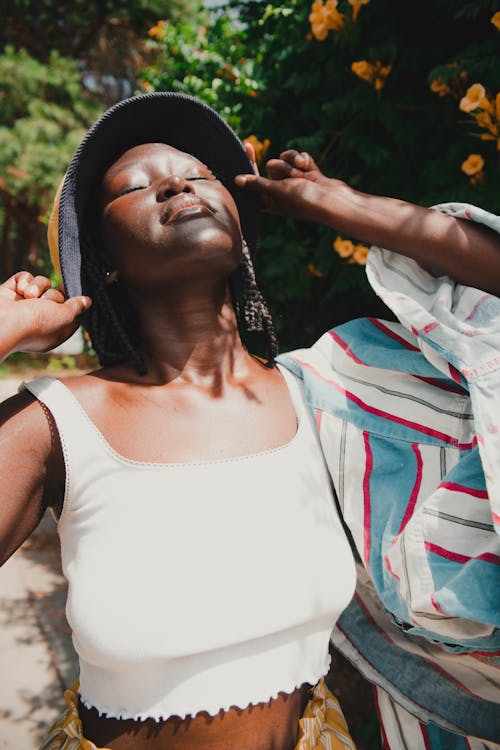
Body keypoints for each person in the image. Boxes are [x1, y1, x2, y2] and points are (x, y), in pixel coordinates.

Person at [0, 91, 498, 750]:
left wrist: (341, 204)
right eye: (135, 186)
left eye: (199, 174)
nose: (177, 181)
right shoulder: (56, 422)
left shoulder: (334, 392)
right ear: (106, 261)